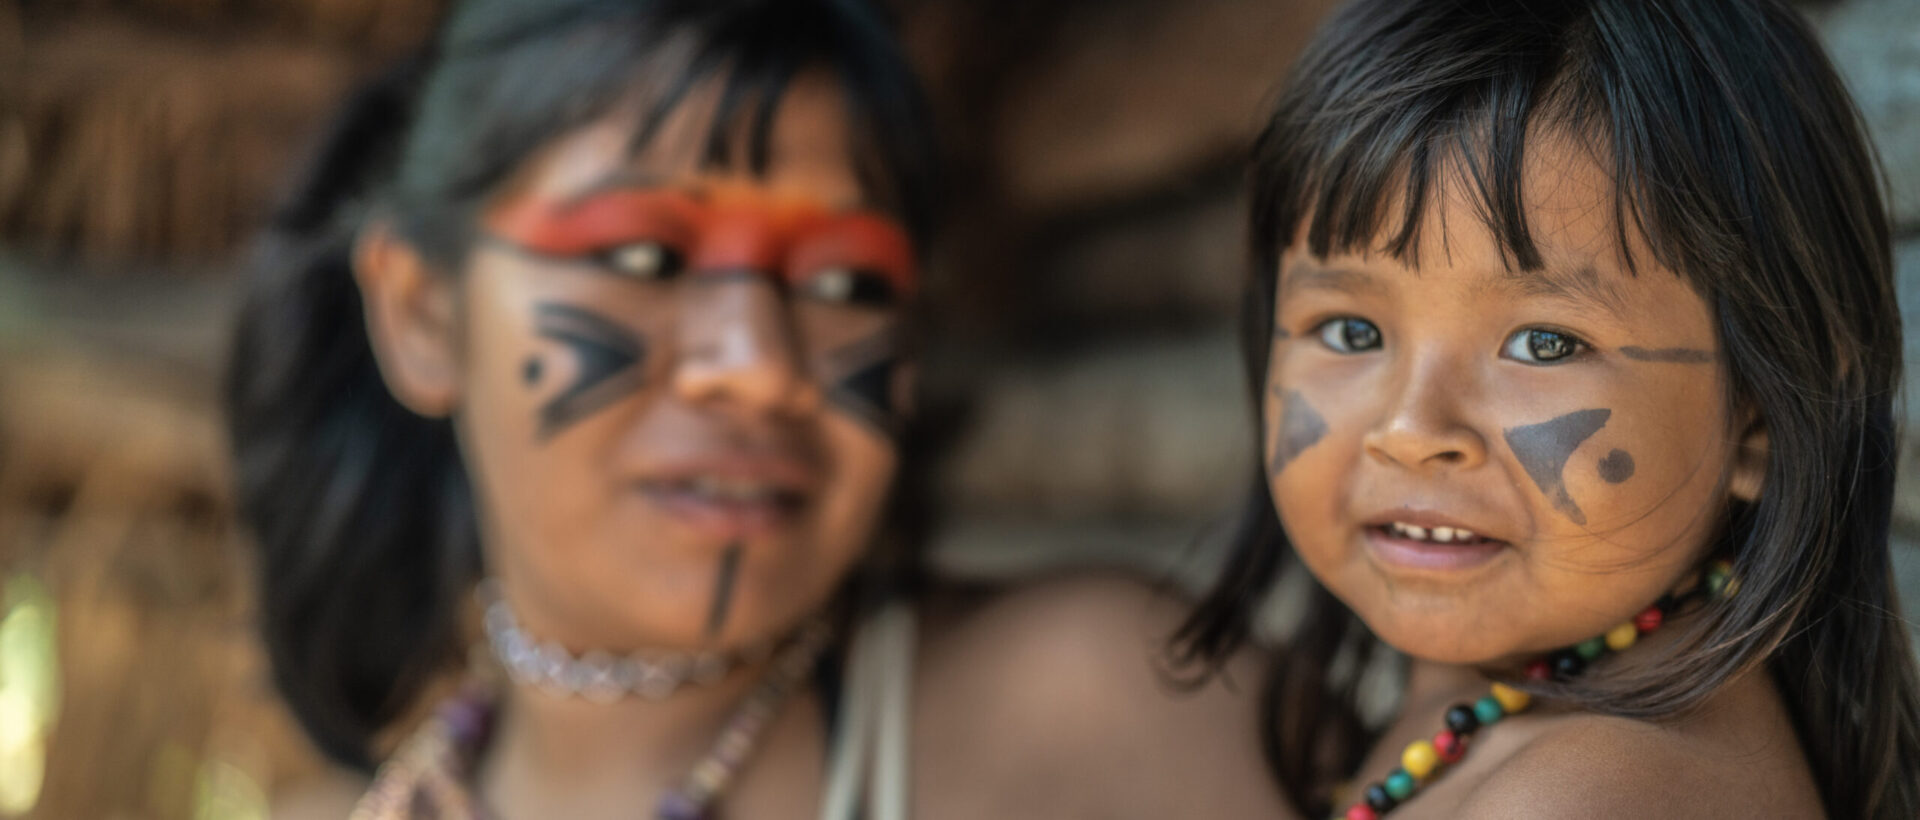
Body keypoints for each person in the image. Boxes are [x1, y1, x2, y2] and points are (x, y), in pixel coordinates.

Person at [226, 1, 1289, 817]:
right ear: (421, 312)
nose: (757, 364)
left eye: (844, 282)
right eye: (644, 258)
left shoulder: (1105, 711)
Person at [1173, 0, 1920, 817]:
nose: (1411, 432)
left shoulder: (1587, 799)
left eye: (1545, 343)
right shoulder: (1482, 725)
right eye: (1352, 331)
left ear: (1760, 419)